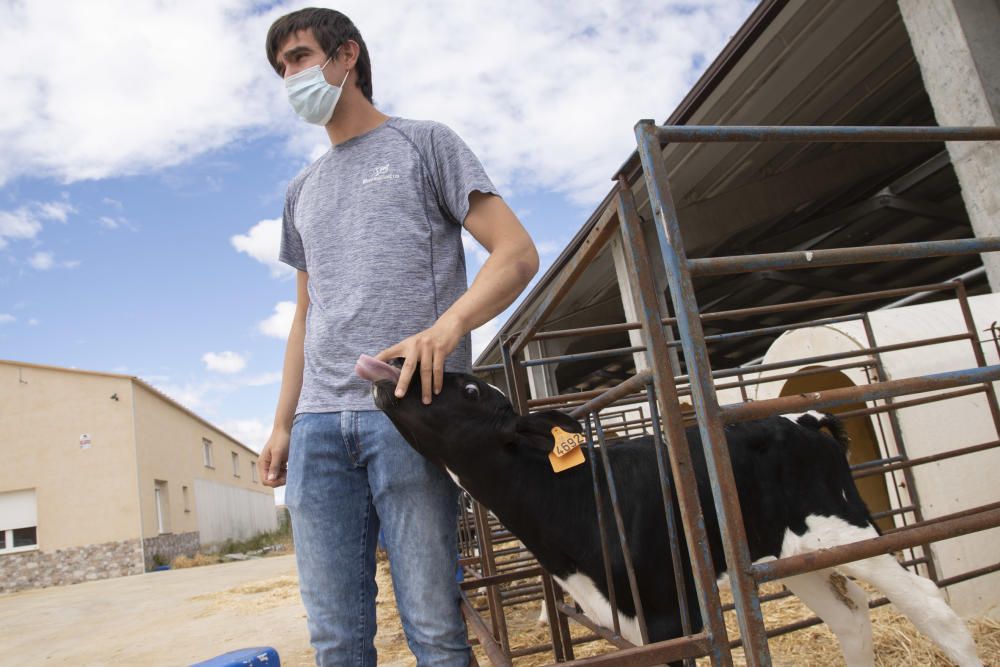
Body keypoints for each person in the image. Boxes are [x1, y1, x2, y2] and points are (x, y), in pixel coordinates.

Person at [257, 7, 539, 666]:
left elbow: (516, 253)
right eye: (281, 69)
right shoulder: (300, 192)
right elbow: (304, 315)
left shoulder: (425, 143)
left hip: (410, 415)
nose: (290, 77)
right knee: (336, 641)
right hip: (319, 429)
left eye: (298, 58)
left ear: (346, 55)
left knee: (436, 633)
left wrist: (449, 327)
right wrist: (282, 425)